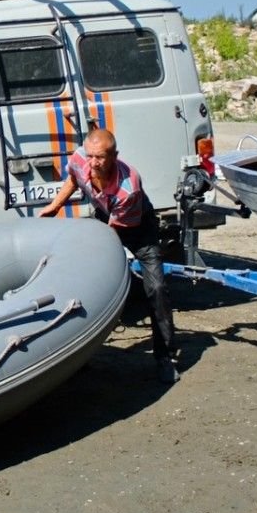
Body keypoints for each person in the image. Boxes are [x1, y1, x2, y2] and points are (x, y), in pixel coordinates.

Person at [38, 128, 179, 383]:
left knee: (156, 289)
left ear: (115, 155)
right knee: (82, 283)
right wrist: (55, 205)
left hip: (138, 228)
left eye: (100, 158)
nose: (93, 163)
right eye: (90, 156)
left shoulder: (129, 187)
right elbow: (74, 177)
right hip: (106, 216)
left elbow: (112, 236)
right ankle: (79, 354)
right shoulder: (81, 159)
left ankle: (164, 356)